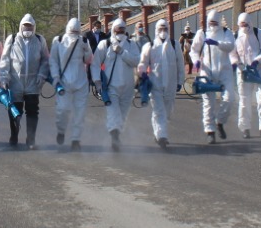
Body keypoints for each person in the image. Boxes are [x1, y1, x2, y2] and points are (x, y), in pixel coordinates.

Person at [0, 13, 49, 149]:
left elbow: (45, 59)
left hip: (33, 82)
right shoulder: (13, 39)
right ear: (21, 26)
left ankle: (31, 140)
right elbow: (5, 59)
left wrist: (42, 75)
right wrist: (4, 77)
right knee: (15, 111)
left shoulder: (39, 40)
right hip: (16, 82)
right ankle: (14, 136)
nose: (27, 29)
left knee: (33, 111)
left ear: (34, 27)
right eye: (25, 26)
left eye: (30, 27)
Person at [190, 9, 237, 143]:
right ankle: (210, 131)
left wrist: (217, 43)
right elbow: (194, 50)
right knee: (208, 103)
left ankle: (220, 121)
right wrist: (196, 61)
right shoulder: (202, 33)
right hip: (207, 70)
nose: (212, 25)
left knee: (230, 98)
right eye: (210, 23)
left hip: (224, 69)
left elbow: (230, 46)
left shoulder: (227, 33)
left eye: (215, 23)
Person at [94, 18, 139, 151]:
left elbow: (136, 61)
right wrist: (97, 81)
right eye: (117, 29)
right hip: (111, 86)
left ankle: (117, 134)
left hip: (128, 86)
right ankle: (114, 137)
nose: (120, 32)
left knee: (123, 114)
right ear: (113, 30)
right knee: (113, 112)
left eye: (122, 29)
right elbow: (95, 63)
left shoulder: (132, 45)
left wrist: (122, 52)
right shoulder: (105, 44)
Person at [49, 18, 93, 149]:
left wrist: (87, 49)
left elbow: (88, 60)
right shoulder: (58, 40)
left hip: (81, 82)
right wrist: (55, 77)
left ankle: (76, 139)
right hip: (64, 82)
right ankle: (61, 130)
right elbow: (53, 60)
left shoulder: (84, 41)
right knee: (62, 110)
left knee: (80, 112)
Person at [139, 17, 183, 149]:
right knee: (159, 111)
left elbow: (180, 64)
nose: (163, 31)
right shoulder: (150, 46)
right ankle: (162, 136)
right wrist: (142, 73)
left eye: (165, 29)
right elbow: (143, 62)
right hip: (155, 84)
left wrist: (180, 81)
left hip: (171, 85)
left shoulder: (175, 45)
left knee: (167, 112)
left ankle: (158, 131)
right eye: (160, 29)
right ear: (156, 30)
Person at [233, 12, 261, 138]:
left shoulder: (259, 33)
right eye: (241, 24)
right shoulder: (235, 36)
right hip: (244, 71)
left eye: (245, 24)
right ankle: (245, 128)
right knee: (244, 100)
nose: (244, 26)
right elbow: (232, 53)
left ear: (250, 23)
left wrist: (257, 60)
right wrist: (236, 63)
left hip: (260, 70)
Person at [83, 18, 109, 86]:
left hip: (100, 57)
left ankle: (101, 81)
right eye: (97, 27)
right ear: (93, 27)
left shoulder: (103, 35)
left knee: (102, 69)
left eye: (100, 27)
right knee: (90, 69)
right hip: (91, 56)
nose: (99, 29)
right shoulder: (87, 34)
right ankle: (90, 81)